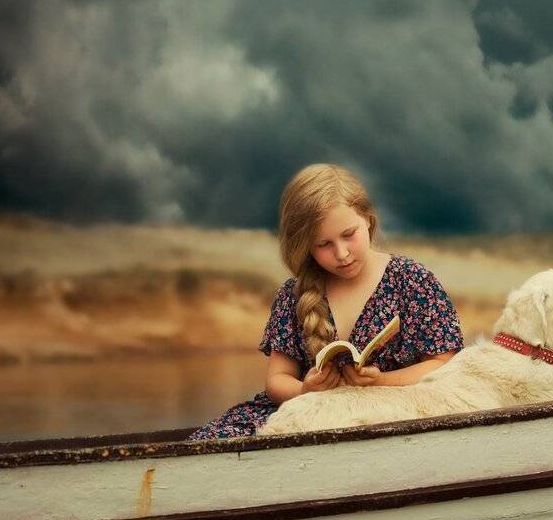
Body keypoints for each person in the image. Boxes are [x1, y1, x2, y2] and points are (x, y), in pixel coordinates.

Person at [187, 163, 464, 441]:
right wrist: (305, 391)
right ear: (305, 246)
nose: (341, 253)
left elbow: (444, 362)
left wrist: (381, 382)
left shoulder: (411, 280)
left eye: (348, 235)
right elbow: (277, 380)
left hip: (386, 417)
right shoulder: (293, 295)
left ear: (367, 219)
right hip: (308, 415)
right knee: (209, 443)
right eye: (323, 244)